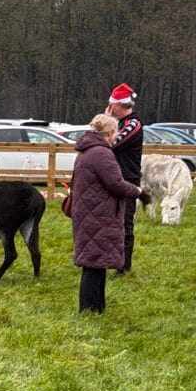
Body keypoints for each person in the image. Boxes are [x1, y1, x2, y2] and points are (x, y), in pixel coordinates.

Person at [70, 113, 144, 313]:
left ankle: (96, 307)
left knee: (95, 263)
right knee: (94, 264)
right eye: (116, 131)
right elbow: (115, 183)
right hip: (98, 215)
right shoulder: (102, 154)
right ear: (110, 133)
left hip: (89, 212)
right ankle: (90, 310)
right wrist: (137, 191)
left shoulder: (87, 151)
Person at [106, 83, 143, 275]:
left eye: (112, 105)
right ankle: (113, 260)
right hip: (116, 178)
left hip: (128, 179)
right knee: (113, 222)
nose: (111, 108)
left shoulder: (133, 125)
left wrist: (106, 121)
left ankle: (124, 265)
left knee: (125, 224)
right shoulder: (122, 124)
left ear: (121, 105)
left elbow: (111, 143)